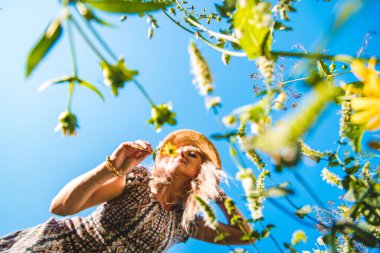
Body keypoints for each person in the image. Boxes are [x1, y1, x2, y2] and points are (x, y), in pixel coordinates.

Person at [0, 129, 254, 252]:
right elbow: (61, 206)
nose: (181, 153)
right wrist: (111, 168)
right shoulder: (139, 179)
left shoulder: (184, 222)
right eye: (176, 150)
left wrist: (221, 198)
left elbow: (245, 237)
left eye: (192, 153)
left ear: (202, 171)